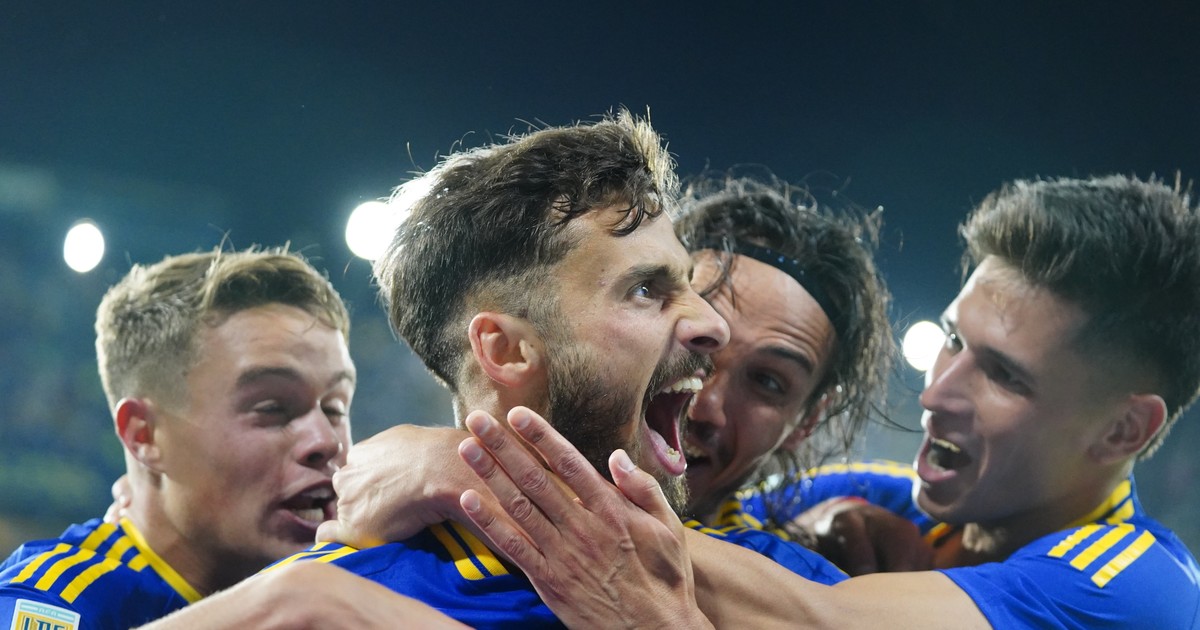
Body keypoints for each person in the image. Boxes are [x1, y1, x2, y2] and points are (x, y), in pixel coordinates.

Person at [456, 174, 1200, 628]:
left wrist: (467, 468)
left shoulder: (1135, 590)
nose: (935, 391)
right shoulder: (882, 497)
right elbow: (719, 522)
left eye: (1005, 377)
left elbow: (822, 618)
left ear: (1122, 429)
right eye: (952, 339)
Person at [269, 112, 854, 627]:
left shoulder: (789, 577)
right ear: (505, 351)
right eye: (646, 290)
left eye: (770, 382)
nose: (712, 327)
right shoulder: (322, 604)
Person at [316, 172, 925, 574]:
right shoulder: (373, 556)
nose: (706, 401)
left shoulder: (811, 568)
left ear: (806, 423)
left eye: (768, 382)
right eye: (669, 312)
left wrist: (460, 468)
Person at [0, 247, 456, 629]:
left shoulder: (368, 576)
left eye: (335, 407)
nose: (326, 441)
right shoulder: (56, 595)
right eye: (272, 407)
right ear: (145, 436)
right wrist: (292, 598)